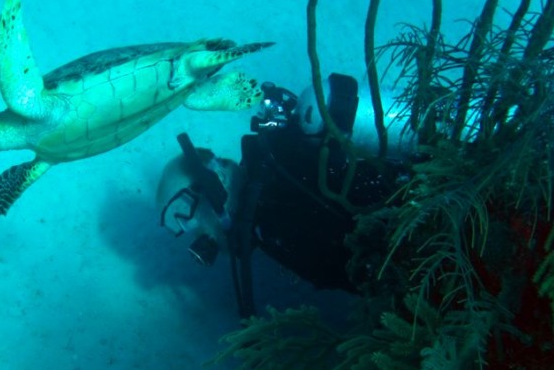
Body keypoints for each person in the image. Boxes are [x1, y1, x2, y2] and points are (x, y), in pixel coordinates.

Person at [156, 74, 412, 317]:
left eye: (189, 220)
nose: (199, 236)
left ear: (217, 183)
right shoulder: (273, 170)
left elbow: (373, 273)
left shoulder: (277, 212)